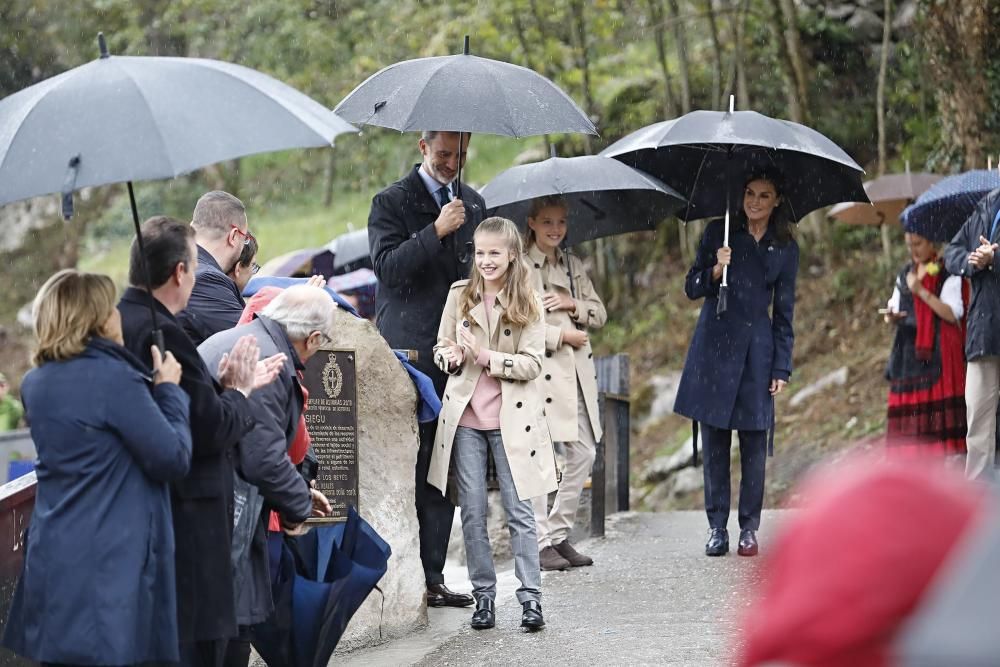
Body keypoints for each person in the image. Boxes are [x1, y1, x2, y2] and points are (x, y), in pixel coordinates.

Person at [2, 269, 192, 665]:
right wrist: (169, 390)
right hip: (109, 568)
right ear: (97, 318)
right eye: (112, 308)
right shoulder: (114, 380)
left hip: (55, 560)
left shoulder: (36, 384)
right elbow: (172, 457)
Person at [119, 215, 282, 667]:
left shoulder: (122, 319)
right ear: (179, 272)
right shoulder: (160, 332)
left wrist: (219, 387)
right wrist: (241, 393)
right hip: (188, 518)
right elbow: (207, 427)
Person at [368, 130, 486, 607]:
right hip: (410, 353)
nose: (451, 163)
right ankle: (402, 576)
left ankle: (434, 575)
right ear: (422, 147)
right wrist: (434, 231)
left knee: (444, 471)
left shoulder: (474, 203)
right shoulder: (391, 201)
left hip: (458, 354)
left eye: (459, 155)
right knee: (410, 470)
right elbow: (388, 268)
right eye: (442, 154)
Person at [430, 217, 557, 631]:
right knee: (473, 511)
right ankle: (484, 598)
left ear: (512, 255)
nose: (485, 261)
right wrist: (449, 357)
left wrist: (484, 356)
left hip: (512, 420)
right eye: (480, 253)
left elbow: (533, 364)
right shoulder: (459, 296)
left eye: (494, 253)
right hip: (465, 418)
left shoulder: (528, 302)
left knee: (520, 511)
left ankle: (530, 599)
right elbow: (442, 346)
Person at [198, 284, 334, 666]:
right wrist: (298, 505)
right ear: (314, 338)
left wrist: (300, 491)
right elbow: (262, 458)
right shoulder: (269, 360)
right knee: (225, 639)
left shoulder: (249, 338)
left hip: (215, 509)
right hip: (221, 516)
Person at [673, 167, 799, 558]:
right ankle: (716, 528)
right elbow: (692, 286)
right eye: (749, 193)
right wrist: (715, 267)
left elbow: (784, 313)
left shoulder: (785, 247)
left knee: (754, 443)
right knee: (714, 444)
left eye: (764, 195)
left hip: (757, 354)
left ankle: (748, 528)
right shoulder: (719, 232)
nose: (755, 202)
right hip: (713, 347)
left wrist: (781, 367)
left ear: (777, 200)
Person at [522, 196, 607, 571]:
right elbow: (514, 325)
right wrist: (561, 336)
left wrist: (572, 303)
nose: (555, 229)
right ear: (532, 223)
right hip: (538, 372)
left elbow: (600, 314)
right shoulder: (521, 266)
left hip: (575, 376)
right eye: (547, 222)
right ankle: (540, 541)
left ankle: (558, 532)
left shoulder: (573, 265)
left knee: (585, 451)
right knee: (540, 457)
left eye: (560, 222)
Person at [884, 231, 968, 457]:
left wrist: (920, 291)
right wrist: (890, 316)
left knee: (937, 407)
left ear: (931, 242)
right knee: (914, 405)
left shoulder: (946, 271)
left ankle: (946, 454)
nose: (913, 250)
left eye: (918, 244)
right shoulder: (905, 273)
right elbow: (895, 303)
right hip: (907, 350)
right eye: (909, 245)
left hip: (939, 347)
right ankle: (914, 457)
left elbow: (953, 313)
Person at [943, 187, 1000, 480]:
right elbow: (951, 253)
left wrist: (995, 260)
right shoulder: (985, 205)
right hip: (984, 329)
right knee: (977, 414)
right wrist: (974, 261)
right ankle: (978, 499)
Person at [179, 191, 255, 346]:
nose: (244, 245)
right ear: (234, 236)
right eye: (245, 238)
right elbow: (251, 342)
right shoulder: (206, 280)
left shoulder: (179, 263)